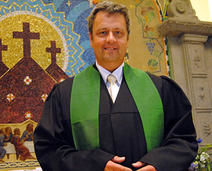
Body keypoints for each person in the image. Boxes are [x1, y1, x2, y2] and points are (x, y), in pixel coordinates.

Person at [33, 1, 198, 171]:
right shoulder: (65, 94)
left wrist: (158, 164)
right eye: (103, 32)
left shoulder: (160, 89)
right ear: (91, 38)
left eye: (118, 33)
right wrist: (94, 164)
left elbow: (183, 140)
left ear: (127, 38)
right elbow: (49, 150)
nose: (111, 39)